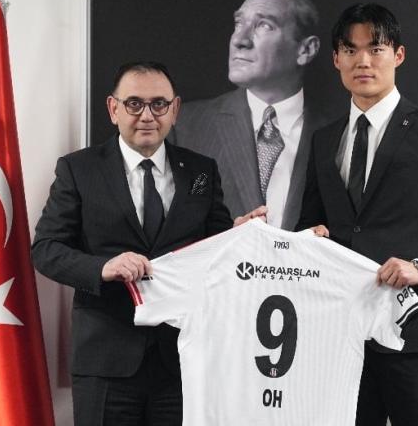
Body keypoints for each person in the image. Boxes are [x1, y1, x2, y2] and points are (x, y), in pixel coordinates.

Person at [297, 4, 418, 426]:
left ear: (398, 55)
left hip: (417, 331)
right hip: (342, 333)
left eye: (376, 49)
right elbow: (310, 225)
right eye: (350, 50)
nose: (363, 61)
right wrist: (295, 238)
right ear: (336, 59)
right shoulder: (324, 139)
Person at [32, 61, 260, 426]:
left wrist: (239, 234)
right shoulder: (79, 169)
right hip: (106, 361)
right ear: (113, 109)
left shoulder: (201, 171)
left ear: (175, 109)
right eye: (134, 103)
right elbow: (46, 249)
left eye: (159, 104)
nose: (147, 115)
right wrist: (102, 267)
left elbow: (213, 246)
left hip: (182, 359)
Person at [174, 0, 332, 229]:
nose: (239, 40)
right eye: (238, 23)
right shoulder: (184, 126)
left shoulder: (338, 136)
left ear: (306, 49)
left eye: (264, 25)